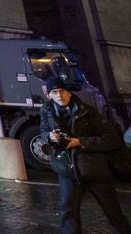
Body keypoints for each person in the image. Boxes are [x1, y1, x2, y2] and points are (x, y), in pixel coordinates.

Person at [39, 76, 130, 233]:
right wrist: (50, 137)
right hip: (67, 170)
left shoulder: (89, 111)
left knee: (113, 212)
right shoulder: (46, 111)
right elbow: (43, 131)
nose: (59, 95)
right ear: (49, 95)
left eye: (62, 91)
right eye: (54, 92)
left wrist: (80, 142)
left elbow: (112, 140)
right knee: (68, 213)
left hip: (94, 170)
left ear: (69, 92)